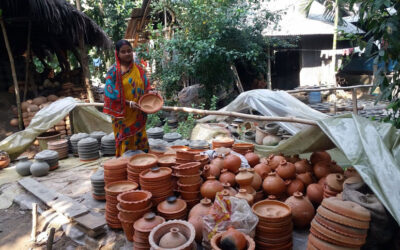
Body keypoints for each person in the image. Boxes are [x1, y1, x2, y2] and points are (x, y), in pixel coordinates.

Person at [103, 39, 152, 156]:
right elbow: (109, 95)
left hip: (138, 113)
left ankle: (143, 166)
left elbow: (146, 87)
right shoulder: (113, 72)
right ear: (117, 54)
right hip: (122, 116)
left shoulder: (138, 69)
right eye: (123, 51)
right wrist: (128, 103)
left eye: (129, 51)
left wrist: (152, 95)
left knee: (140, 139)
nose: (127, 54)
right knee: (125, 141)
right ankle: (125, 167)